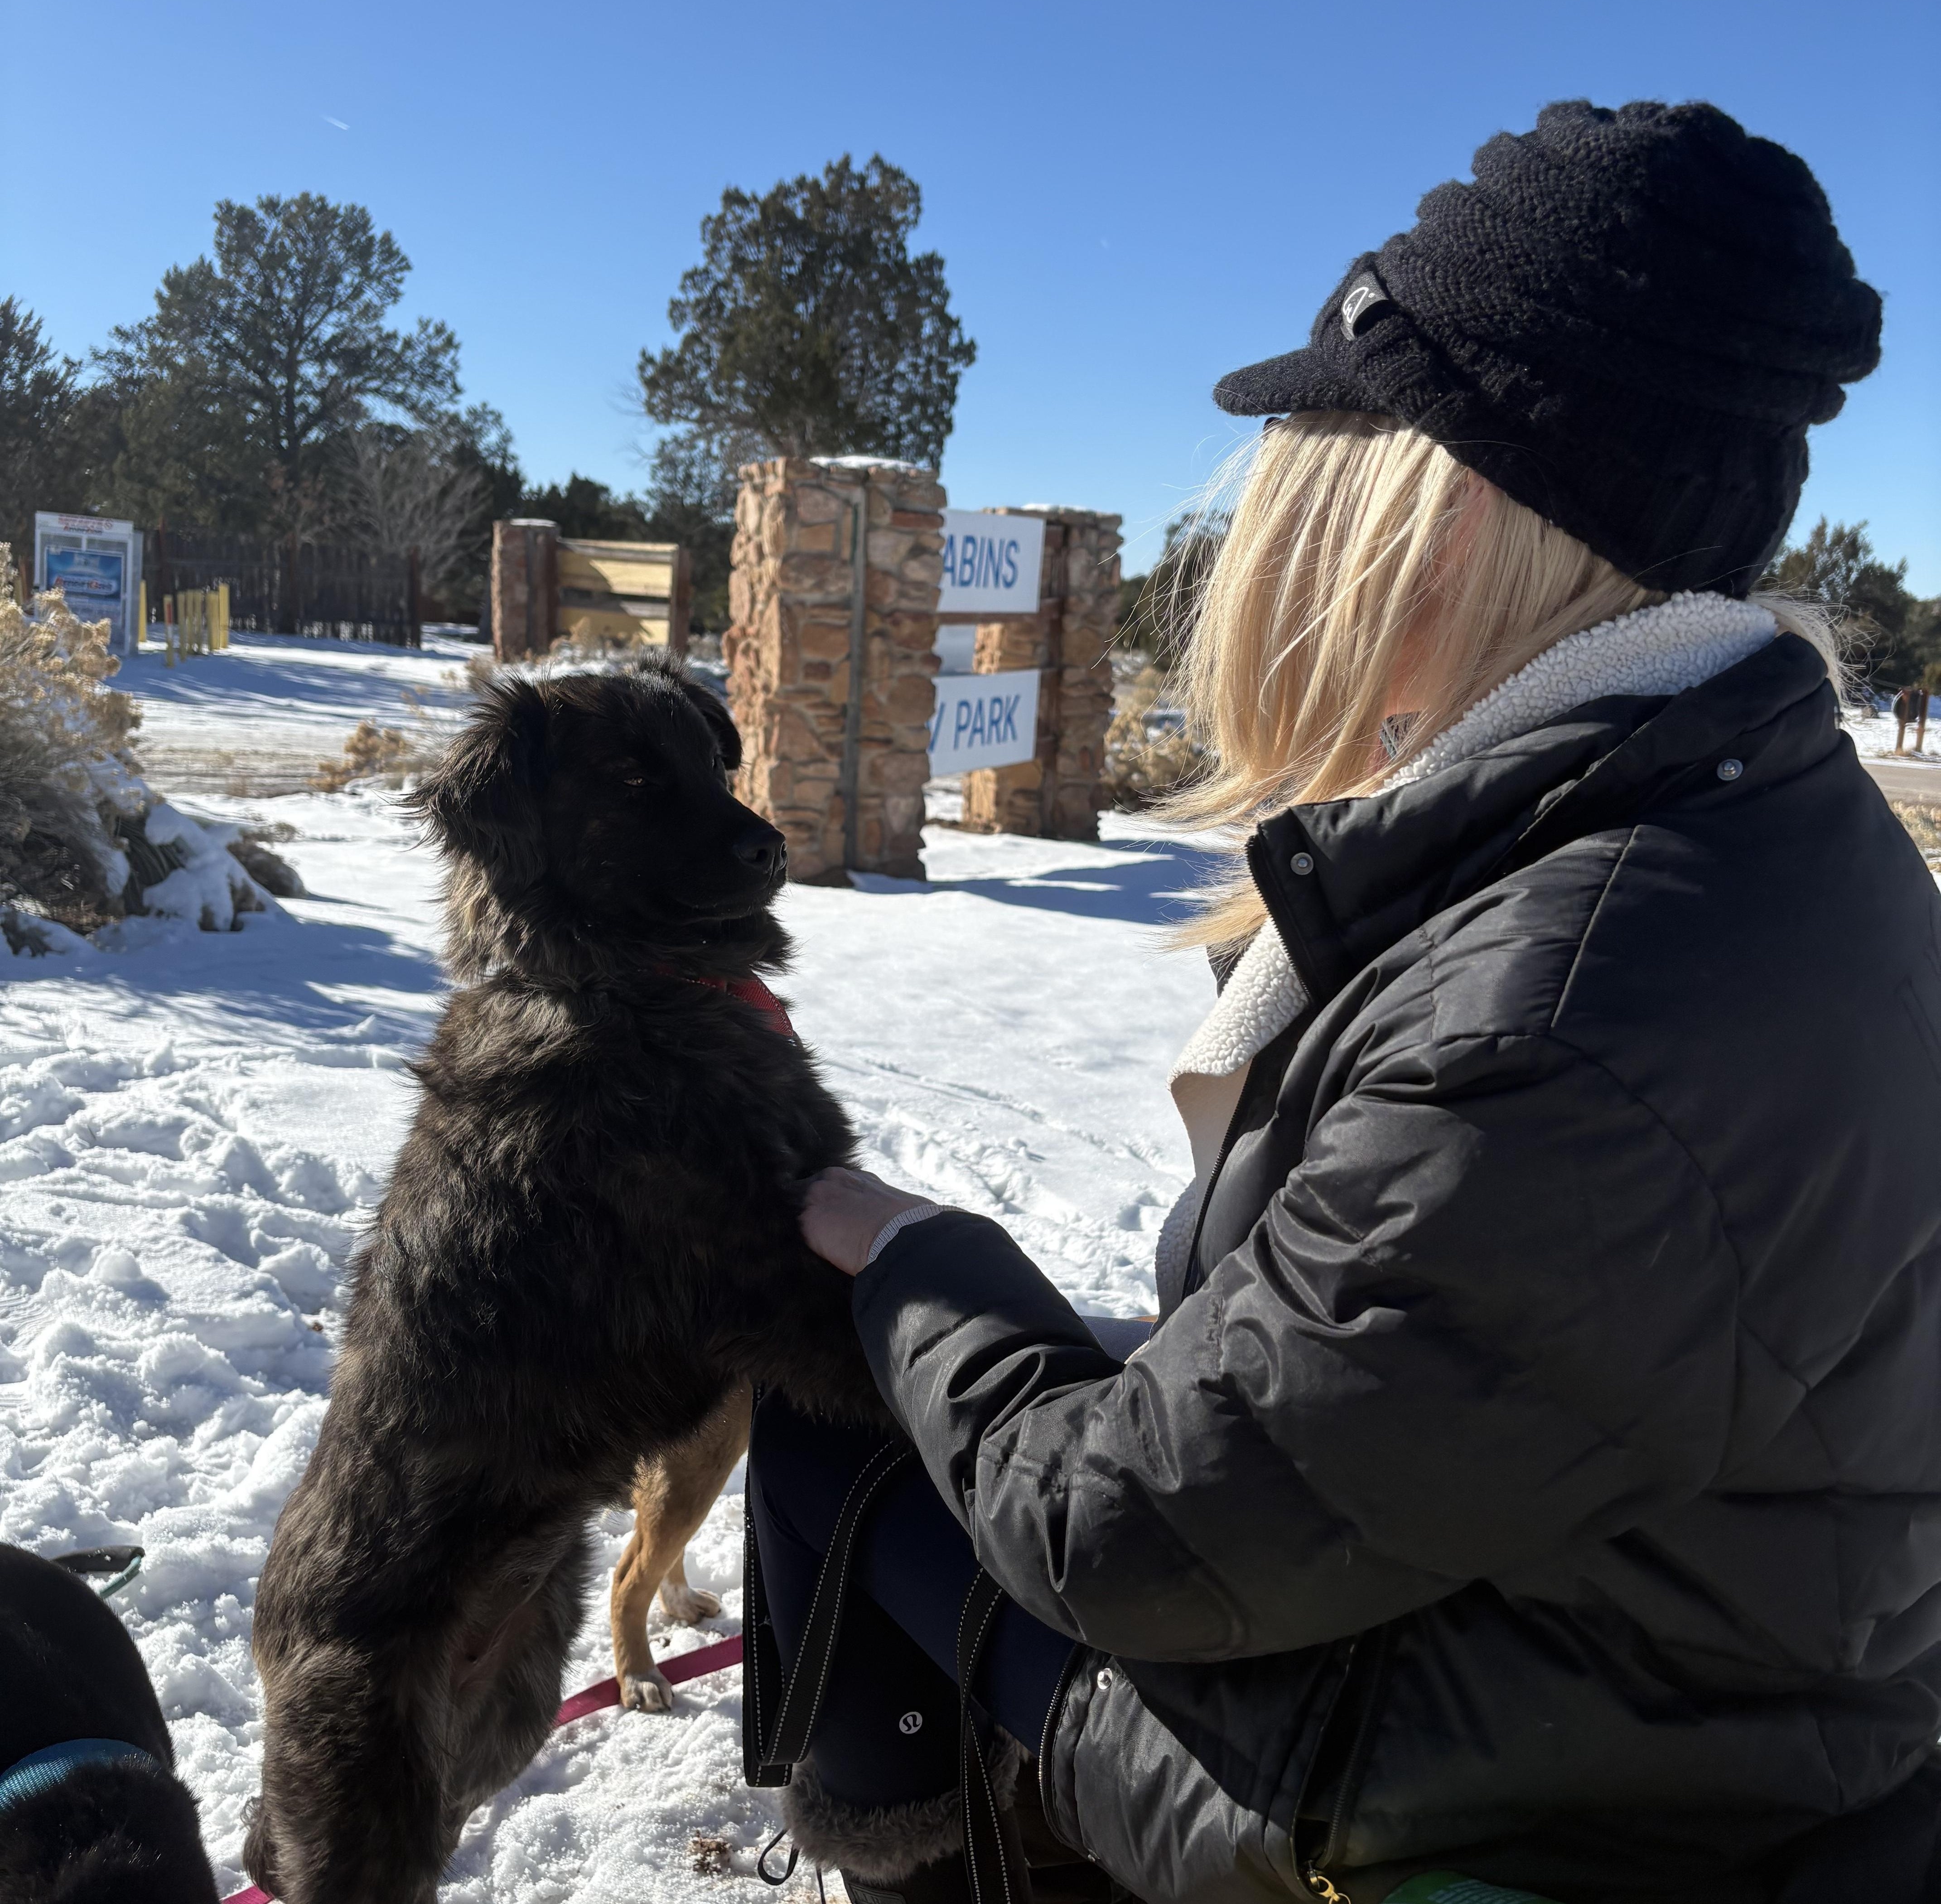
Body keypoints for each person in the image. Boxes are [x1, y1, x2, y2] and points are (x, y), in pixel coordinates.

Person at [748, 101, 1941, 1904]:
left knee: (843, 1430)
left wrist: (921, 1260)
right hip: (1663, 1689)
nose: (1277, 523)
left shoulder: (1575, 1003)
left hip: (1512, 1801)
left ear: (1450, 507)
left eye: (1324, 444)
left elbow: (1125, 1537)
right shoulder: (1746, 825)